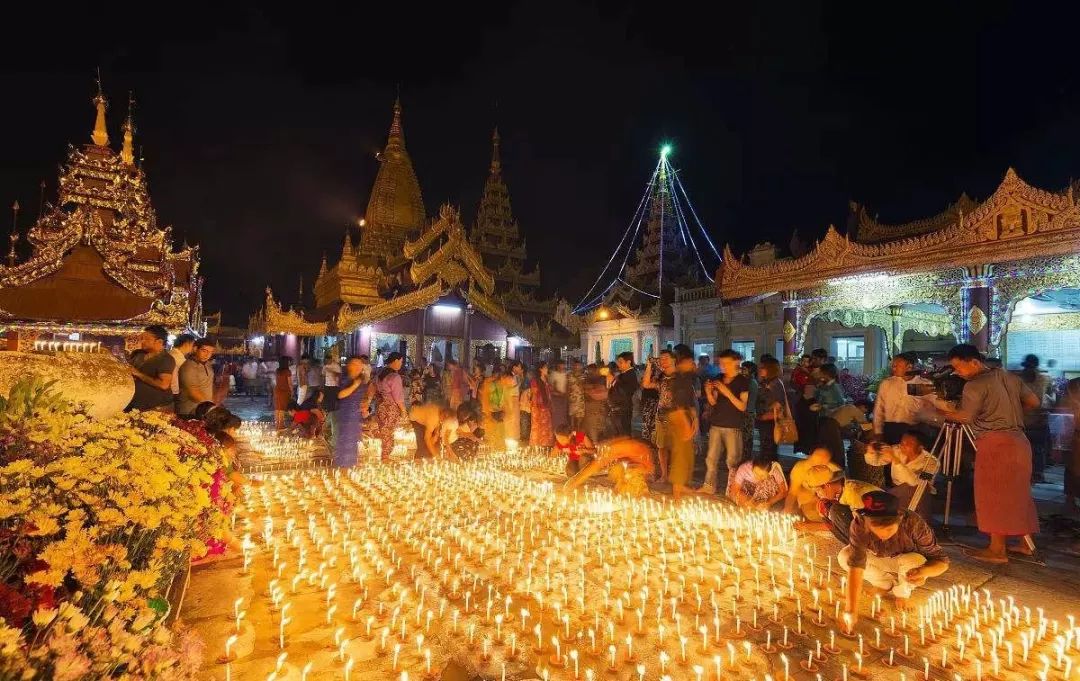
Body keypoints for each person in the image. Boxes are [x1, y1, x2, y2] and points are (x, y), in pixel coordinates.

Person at [942, 343, 1040, 564]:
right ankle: (1026, 544)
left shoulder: (975, 385)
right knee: (1019, 493)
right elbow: (1034, 401)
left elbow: (965, 417)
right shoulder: (1010, 377)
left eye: (959, 367)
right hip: (1020, 441)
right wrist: (1008, 414)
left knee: (993, 494)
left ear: (975, 362)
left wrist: (938, 412)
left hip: (995, 443)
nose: (957, 372)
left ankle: (997, 549)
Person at [840, 491, 950, 629]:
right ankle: (883, 584)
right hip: (878, 558)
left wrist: (924, 571)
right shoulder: (859, 524)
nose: (883, 536)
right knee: (844, 556)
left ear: (899, 519)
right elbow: (856, 566)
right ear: (867, 522)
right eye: (877, 529)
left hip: (906, 564)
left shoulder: (913, 523)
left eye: (889, 529)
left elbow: (942, 562)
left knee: (916, 560)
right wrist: (851, 609)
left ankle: (903, 593)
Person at [701, 349, 750, 495]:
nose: (723, 366)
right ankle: (709, 486)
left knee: (733, 461)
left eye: (726, 363)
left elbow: (742, 406)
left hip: (733, 425)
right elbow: (713, 402)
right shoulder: (718, 377)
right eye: (721, 363)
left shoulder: (742, 381)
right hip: (716, 424)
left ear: (736, 362)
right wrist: (709, 392)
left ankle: (733, 489)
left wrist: (727, 391)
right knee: (711, 458)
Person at [795, 465, 881, 545]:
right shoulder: (842, 488)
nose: (818, 495)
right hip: (872, 527)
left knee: (835, 510)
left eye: (818, 491)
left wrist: (815, 527)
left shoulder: (853, 493)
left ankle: (861, 546)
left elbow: (863, 525)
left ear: (827, 485)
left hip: (882, 533)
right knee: (825, 506)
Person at [865, 429, 940, 519]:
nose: (902, 446)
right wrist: (871, 451)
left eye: (908, 444)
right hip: (897, 490)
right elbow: (875, 461)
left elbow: (916, 483)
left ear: (920, 447)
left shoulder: (931, 462)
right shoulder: (897, 450)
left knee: (914, 519)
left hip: (919, 495)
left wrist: (896, 460)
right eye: (902, 442)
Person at [562, 436, 656, 498]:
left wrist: (574, 482)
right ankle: (628, 486)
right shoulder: (606, 448)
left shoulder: (611, 450)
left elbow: (594, 465)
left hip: (644, 466)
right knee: (616, 469)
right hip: (633, 462)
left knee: (623, 475)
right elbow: (596, 460)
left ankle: (637, 489)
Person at [667, 345, 699, 500]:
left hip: (684, 415)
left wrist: (694, 419)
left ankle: (681, 486)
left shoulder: (686, 377)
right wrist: (686, 424)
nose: (693, 364)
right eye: (690, 361)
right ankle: (677, 491)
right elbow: (679, 403)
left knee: (687, 453)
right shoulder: (680, 378)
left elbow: (689, 400)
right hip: (679, 416)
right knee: (680, 453)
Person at [126, 325, 178, 412]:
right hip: (135, 405)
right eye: (141, 338)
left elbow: (163, 385)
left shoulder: (166, 359)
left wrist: (138, 374)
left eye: (146, 339)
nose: (142, 341)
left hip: (156, 408)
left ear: (159, 342)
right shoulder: (138, 354)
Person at [643, 350, 676, 482]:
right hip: (661, 416)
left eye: (666, 358)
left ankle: (676, 475)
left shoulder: (679, 377)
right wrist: (649, 366)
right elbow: (646, 384)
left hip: (676, 417)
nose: (663, 361)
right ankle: (664, 475)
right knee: (661, 447)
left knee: (675, 448)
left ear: (674, 360)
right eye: (661, 359)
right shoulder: (662, 377)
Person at [874, 354, 921, 446]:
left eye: (896, 366)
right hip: (889, 429)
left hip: (912, 431)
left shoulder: (922, 384)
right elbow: (879, 409)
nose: (893, 368)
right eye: (893, 366)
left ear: (909, 367)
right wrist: (878, 431)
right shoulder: (887, 383)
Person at [785, 447, 841, 520]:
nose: (817, 465)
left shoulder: (834, 472)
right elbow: (793, 492)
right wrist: (787, 508)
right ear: (810, 457)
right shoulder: (800, 468)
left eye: (822, 462)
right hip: (808, 502)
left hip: (831, 503)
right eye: (815, 460)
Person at [1020, 354, 1051, 483]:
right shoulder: (1044, 379)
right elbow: (1048, 397)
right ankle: (1038, 474)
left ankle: (1025, 474)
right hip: (1040, 420)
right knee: (1039, 449)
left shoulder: (1018, 379)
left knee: (1023, 449)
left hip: (1022, 421)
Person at [332, 356, 368, 467]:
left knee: (353, 441)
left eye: (360, 364)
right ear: (349, 366)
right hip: (346, 414)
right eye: (355, 364)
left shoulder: (361, 380)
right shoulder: (346, 379)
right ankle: (342, 466)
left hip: (355, 415)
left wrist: (364, 406)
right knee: (345, 439)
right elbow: (340, 395)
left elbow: (361, 397)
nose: (358, 367)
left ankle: (350, 466)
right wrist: (354, 385)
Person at [373, 352, 407, 462]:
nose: (401, 364)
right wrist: (403, 411)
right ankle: (385, 457)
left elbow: (374, 389)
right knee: (388, 433)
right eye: (401, 361)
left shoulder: (380, 374)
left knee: (384, 432)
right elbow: (398, 397)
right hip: (390, 409)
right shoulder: (395, 377)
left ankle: (385, 456)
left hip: (380, 406)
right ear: (396, 361)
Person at [755, 357, 787, 463]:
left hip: (770, 421)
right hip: (764, 419)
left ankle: (770, 473)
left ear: (770, 369)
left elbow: (779, 404)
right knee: (766, 448)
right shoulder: (766, 382)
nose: (760, 370)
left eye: (763, 367)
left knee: (768, 450)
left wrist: (767, 415)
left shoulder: (775, 384)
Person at [177, 339, 216, 417]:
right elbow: (192, 392)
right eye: (204, 351)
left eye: (210, 352)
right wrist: (212, 407)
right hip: (190, 411)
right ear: (195, 349)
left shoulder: (207, 364)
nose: (207, 355)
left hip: (204, 410)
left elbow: (209, 384)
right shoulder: (189, 367)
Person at [1059, 378, 1080, 515]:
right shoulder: (1073, 384)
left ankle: (1070, 500)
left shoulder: (1073, 384)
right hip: (1075, 433)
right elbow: (1064, 410)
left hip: (1074, 432)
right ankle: (1070, 500)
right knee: (1074, 467)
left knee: (1073, 467)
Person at [608, 352, 639, 437]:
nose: (618, 364)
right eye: (618, 362)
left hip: (623, 410)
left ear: (628, 362)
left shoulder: (631, 374)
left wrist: (614, 380)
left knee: (623, 436)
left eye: (621, 362)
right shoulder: (623, 374)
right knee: (618, 436)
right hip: (617, 409)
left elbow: (626, 391)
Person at [529, 363, 555, 446]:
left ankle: (545, 444)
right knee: (537, 426)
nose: (547, 369)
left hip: (546, 406)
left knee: (546, 425)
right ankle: (537, 444)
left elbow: (549, 393)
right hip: (538, 407)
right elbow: (534, 394)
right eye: (546, 368)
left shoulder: (547, 380)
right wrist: (536, 407)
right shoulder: (535, 381)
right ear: (541, 369)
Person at [582, 363, 609, 444]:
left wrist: (591, 389)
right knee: (589, 430)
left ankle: (596, 447)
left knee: (597, 431)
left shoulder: (602, 379)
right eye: (589, 370)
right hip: (589, 410)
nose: (590, 372)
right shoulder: (587, 379)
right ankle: (591, 446)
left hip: (598, 409)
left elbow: (603, 392)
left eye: (592, 370)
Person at [480, 370, 506, 448]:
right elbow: (485, 397)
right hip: (493, 410)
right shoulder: (490, 384)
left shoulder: (499, 384)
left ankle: (498, 444)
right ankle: (496, 445)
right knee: (494, 428)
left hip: (497, 409)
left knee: (498, 428)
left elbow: (503, 396)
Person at [168, 334, 196, 403]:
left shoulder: (171, 353)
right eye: (192, 345)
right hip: (172, 390)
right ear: (186, 344)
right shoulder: (179, 358)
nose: (193, 348)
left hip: (170, 389)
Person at [740, 360, 759, 457]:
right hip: (747, 411)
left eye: (744, 369)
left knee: (746, 437)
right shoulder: (749, 382)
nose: (741, 371)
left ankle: (746, 457)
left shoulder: (751, 382)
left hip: (748, 412)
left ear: (751, 371)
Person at [502, 362, 523, 443]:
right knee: (511, 420)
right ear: (514, 367)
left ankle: (513, 437)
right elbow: (508, 389)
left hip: (514, 400)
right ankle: (510, 438)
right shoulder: (509, 377)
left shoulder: (514, 376)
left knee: (514, 420)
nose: (520, 369)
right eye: (519, 367)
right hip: (510, 400)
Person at [549, 360, 570, 431]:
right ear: (557, 367)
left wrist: (565, 394)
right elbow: (552, 387)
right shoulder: (553, 374)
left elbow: (567, 385)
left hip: (564, 398)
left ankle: (563, 431)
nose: (562, 368)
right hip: (556, 398)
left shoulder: (566, 374)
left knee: (563, 415)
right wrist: (560, 393)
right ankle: (556, 431)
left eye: (563, 367)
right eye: (560, 367)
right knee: (556, 416)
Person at [274, 357, 293, 430]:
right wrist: (292, 391)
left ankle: (277, 424)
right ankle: (281, 425)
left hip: (277, 390)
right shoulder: (287, 371)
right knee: (282, 408)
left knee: (277, 408)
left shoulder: (277, 371)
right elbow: (290, 383)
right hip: (285, 391)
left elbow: (276, 381)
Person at [567, 359, 586, 431]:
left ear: (581, 366)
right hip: (572, 400)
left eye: (578, 366)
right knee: (572, 422)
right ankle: (571, 438)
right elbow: (567, 386)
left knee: (579, 423)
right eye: (575, 365)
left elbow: (585, 386)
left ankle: (579, 439)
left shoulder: (584, 376)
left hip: (581, 400)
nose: (576, 367)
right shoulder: (569, 375)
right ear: (572, 366)